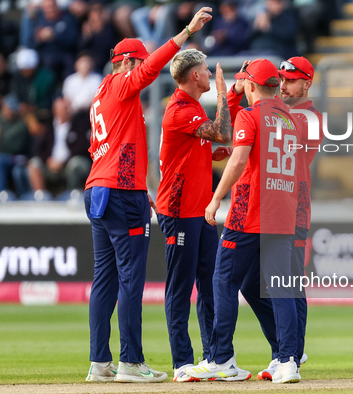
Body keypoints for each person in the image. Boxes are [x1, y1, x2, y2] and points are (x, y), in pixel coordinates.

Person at [83, 7, 212, 383]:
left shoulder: (102, 95)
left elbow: (109, 148)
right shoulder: (122, 84)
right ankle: (131, 362)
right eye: (138, 63)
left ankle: (99, 362)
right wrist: (186, 31)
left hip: (101, 190)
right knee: (130, 280)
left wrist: (143, 187)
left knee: (103, 279)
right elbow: (151, 67)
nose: (143, 71)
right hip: (120, 195)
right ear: (126, 63)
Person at [185, 59, 305, 384]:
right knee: (279, 288)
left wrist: (215, 198)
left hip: (247, 212)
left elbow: (239, 159)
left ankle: (221, 357)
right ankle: (289, 360)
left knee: (223, 281)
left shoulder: (250, 116)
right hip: (282, 213)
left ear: (251, 86)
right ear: (277, 87)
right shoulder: (290, 120)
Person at [155, 48, 235, 382]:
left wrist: (213, 152)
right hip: (179, 211)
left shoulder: (191, 107)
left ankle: (214, 357)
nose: (207, 72)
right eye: (205, 69)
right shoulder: (179, 109)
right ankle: (182, 362)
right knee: (180, 286)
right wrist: (223, 93)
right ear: (195, 77)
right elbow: (224, 131)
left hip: (200, 210)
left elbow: (204, 144)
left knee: (209, 283)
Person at [252, 56, 320, 381]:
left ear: (307, 82)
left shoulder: (308, 117)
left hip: (295, 205)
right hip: (277, 202)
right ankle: (287, 349)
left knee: (288, 281)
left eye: (291, 79)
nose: (284, 84)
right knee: (275, 281)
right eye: (280, 78)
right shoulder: (283, 111)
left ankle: (290, 352)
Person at [28, 97, 92, 194]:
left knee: (74, 164)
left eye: (67, 108)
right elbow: (39, 149)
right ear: (55, 111)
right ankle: (40, 197)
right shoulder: (49, 128)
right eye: (63, 109)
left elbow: (82, 148)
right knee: (34, 163)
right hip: (50, 164)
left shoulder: (78, 125)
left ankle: (71, 195)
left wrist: (63, 161)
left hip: (68, 163)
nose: (67, 111)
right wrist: (48, 160)